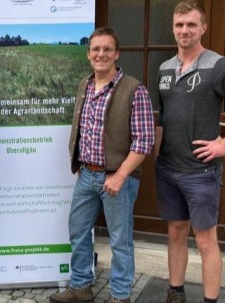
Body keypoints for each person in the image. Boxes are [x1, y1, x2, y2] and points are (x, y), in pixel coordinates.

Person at [155, 1, 225, 303]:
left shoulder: (218, 65)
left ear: (203, 28)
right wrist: (155, 152)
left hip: (200, 172)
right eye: (179, 25)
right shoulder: (165, 69)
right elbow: (162, 116)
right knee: (176, 232)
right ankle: (175, 293)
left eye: (191, 24)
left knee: (205, 240)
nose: (184, 30)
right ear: (173, 28)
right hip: (168, 168)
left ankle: (210, 300)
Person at [49, 27, 155, 303]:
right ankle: (81, 286)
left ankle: (120, 296)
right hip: (86, 174)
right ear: (88, 54)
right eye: (96, 49)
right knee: (78, 230)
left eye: (107, 49)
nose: (101, 54)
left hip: (117, 179)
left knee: (120, 240)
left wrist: (120, 175)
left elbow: (144, 142)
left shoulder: (135, 90)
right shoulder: (84, 85)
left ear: (117, 54)